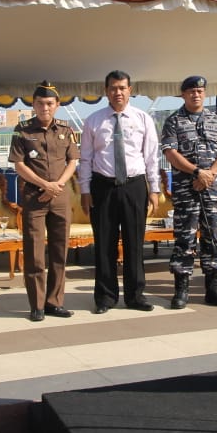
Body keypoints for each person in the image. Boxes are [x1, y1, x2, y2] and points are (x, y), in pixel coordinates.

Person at [79, 70, 161, 314]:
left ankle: (135, 296)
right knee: (105, 243)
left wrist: (154, 189)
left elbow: (151, 157)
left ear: (130, 90)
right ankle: (105, 297)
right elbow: (85, 159)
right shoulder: (93, 121)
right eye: (113, 88)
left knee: (134, 243)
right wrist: (85, 190)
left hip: (134, 186)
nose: (118, 92)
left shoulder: (143, 119)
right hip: (102, 186)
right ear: (106, 91)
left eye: (122, 88)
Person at [161, 75, 217, 309]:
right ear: (183, 94)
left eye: (200, 91)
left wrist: (210, 174)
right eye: (191, 91)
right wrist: (196, 172)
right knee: (185, 238)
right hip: (186, 189)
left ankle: (213, 287)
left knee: (213, 236)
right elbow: (171, 153)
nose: (196, 94)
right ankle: (181, 289)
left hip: (211, 189)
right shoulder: (173, 121)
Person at [10, 81, 79, 322]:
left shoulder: (66, 129)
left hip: (60, 197)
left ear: (57, 105)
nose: (45, 108)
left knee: (60, 252)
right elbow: (19, 164)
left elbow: (73, 161)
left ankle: (54, 302)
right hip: (35, 197)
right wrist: (45, 185)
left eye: (49, 103)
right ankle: (37, 304)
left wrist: (57, 185)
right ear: (33, 104)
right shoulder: (22, 129)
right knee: (34, 254)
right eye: (40, 103)